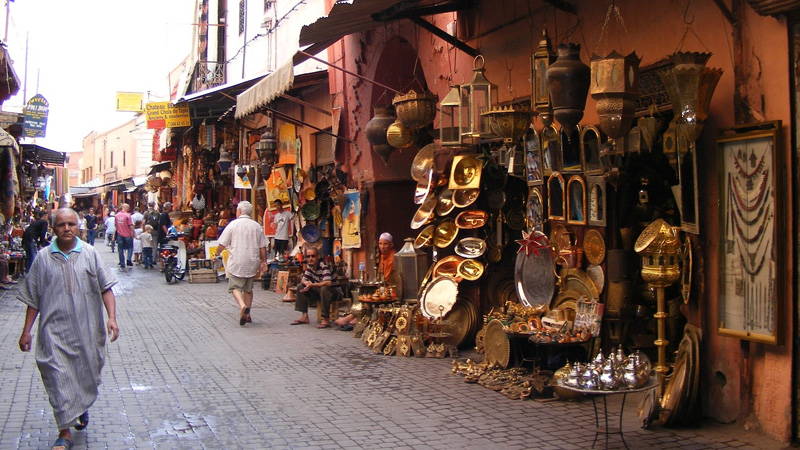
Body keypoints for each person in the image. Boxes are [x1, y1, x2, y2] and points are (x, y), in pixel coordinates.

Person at [17, 208, 119, 450]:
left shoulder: (90, 253)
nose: (66, 229)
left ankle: (80, 408)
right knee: (56, 377)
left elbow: (106, 287)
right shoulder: (42, 257)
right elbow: (33, 298)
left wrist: (112, 317)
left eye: (71, 224)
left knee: (87, 374)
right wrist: (26, 331)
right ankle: (64, 431)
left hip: (87, 331)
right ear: (53, 228)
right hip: (53, 333)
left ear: (78, 226)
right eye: (61, 224)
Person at [215, 201, 268, 326]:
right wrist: (264, 261)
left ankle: (243, 306)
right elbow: (262, 246)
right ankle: (248, 315)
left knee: (234, 287)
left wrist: (216, 254)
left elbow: (223, 243)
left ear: (239, 211)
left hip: (237, 261)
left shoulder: (233, 225)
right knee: (248, 289)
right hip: (252, 261)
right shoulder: (256, 226)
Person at [334, 232, 401, 331]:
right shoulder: (383, 256)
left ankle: (352, 317)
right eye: (380, 244)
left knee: (370, 295)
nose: (382, 247)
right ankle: (357, 316)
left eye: (385, 244)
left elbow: (388, 278)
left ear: (391, 245)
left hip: (390, 288)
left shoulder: (392, 257)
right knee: (363, 293)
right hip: (383, 285)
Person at [292, 246, 340, 328]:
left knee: (324, 288)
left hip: (334, 292)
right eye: (308, 256)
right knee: (300, 286)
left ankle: (326, 319)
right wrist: (307, 283)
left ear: (318, 256)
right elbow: (303, 279)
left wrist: (312, 285)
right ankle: (304, 316)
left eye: (313, 256)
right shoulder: (310, 266)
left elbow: (328, 282)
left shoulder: (323, 265)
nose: (310, 259)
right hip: (320, 291)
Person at [114, 203, 135, 268]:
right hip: (127, 234)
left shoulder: (116, 216)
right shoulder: (128, 216)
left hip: (119, 235)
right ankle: (128, 259)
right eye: (128, 208)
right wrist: (133, 233)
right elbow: (130, 225)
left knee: (120, 249)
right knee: (130, 247)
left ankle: (122, 263)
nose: (129, 209)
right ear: (125, 208)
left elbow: (116, 226)